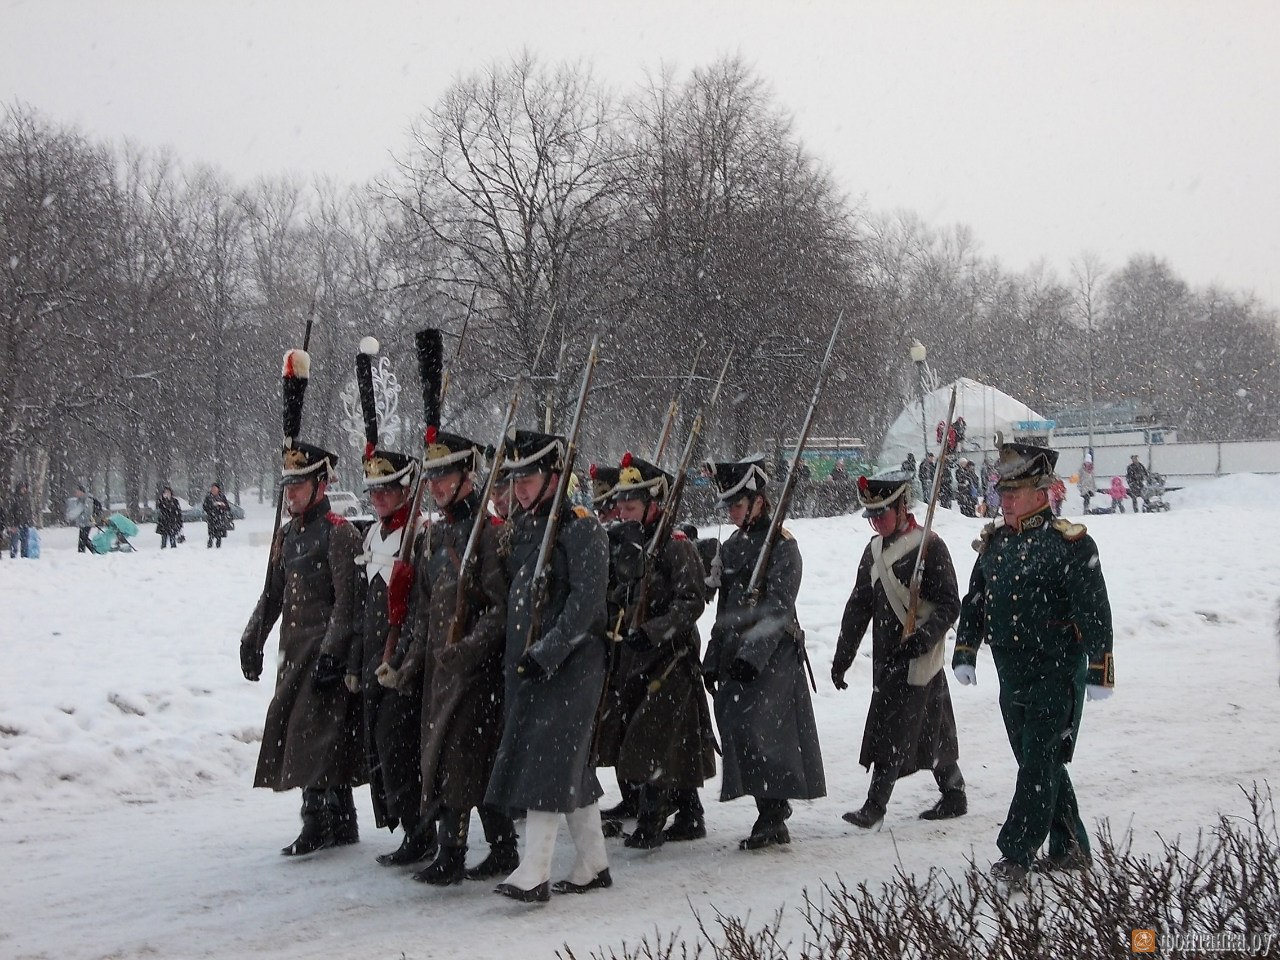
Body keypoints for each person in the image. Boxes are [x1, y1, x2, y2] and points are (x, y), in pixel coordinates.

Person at [952, 440, 1114, 885]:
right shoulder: (996, 544)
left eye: (1012, 494)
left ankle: (1017, 852)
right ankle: (1072, 847)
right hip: (1012, 671)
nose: (1002, 502)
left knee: (1039, 758)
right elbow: (976, 601)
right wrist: (965, 650)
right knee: (1036, 760)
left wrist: (1101, 667)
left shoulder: (1071, 545)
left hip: (1056, 668)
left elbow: (1094, 610)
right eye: (1002, 494)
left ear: (1041, 494)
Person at [484, 429, 611, 902]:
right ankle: (593, 863)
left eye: (530, 477)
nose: (519, 488)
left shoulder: (581, 526)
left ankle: (533, 870)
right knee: (569, 764)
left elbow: (585, 606)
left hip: (573, 665)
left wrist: (549, 652)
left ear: (554, 475)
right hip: (535, 664)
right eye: (515, 478)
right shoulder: (529, 525)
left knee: (545, 759)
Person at [396, 429, 517, 885]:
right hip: (440, 670)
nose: (435, 486)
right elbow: (426, 609)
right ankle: (503, 846)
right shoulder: (436, 536)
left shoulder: (488, 535)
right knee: (454, 759)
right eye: (431, 478)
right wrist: (408, 661)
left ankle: (453, 852)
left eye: (444, 476)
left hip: (475, 671)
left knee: (460, 759)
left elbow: (501, 608)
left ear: (468, 476)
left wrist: (468, 649)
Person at [239, 441, 365, 856]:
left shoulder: (338, 532)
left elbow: (347, 601)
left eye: (298, 485)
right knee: (314, 733)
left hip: (326, 650)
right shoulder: (287, 534)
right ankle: (342, 819)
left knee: (315, 733)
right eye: (287, 485)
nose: (290, 494)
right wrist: (252, 639)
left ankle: (317, 820)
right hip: (293, 652)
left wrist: (332, 651)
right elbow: (271, 594)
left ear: (320, 484)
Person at [702, 455, 825, 850]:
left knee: (766, 732)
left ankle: (773, 814)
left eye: (738, 504)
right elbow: (725, 611)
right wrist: (713, 657)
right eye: (730, 506)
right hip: (738, 655)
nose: (733, 512)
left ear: (758, 501)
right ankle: (769, 805)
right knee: (738, 726)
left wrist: (751, 658)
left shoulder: (782, 546)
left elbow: (777, 608)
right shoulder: (733, 545)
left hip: (772, 656)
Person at [594, 453, 715, 850]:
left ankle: (651, 818)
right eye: (621, 504)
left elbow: (691, 602)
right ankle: (690, 813)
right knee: (663, 740)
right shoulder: (630, 542)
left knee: (652, 738)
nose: (623, 510)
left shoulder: (675, 545)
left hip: (670, 657)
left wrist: (653, 631)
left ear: (652, 503)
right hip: (634, 656)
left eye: (631, 504)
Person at [832, 472, 966, 829]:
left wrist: (925, 637)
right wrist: (841, 659)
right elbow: (858, 608)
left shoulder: (929, 546)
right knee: (930, 727)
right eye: (871, 516)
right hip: (887, 657)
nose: (876, 522)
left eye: (882, 514)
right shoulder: (873, 551)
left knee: (893, 729)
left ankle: (875, 805)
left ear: (902, 507)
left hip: (920, 654)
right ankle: (954, 793)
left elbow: (950, 604)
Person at [347, 442, 431, 868]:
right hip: (373, 658)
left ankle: (421, 829)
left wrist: (402, 660)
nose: (377, 497)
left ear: (404, 490)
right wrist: (355, 662)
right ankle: (406, 824)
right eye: (373, 491)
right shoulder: (373, 533)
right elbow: (367, 607)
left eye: (386, 489)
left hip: (405, 663)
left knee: (398, 743)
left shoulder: (419, 536)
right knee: (381, 747)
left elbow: (420, 606)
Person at [66, 485, 99, 554]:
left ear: (81, 492)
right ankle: (95, 551)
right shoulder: (81, 500)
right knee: (84, 539)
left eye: (77, 492)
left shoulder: (87, 499)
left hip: (87, 522)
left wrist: (84, 518)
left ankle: (82, 553)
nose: (75, 493)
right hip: (83, 523)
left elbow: (88, 512)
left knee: (83, 539)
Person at [8, 481, 34, 559]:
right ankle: (13, 557)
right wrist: (12, 524)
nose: (24, 489)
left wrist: (31, 520)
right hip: (16, 524)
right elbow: (10, 512)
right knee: (14, 542)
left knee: (25, 542)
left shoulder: (26, 498)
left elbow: (29, 511)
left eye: (25, 488)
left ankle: (24, 556)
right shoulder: (13, 498)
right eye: (22, 488)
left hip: (25, 523)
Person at [203, 482, 233, 548]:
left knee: (219, 533)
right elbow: (205, 507)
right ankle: (210, 545)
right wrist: (212, 506)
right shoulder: (208, 497)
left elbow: (228, 507)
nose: (213, 490)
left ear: (218, 489)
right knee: (211, 533)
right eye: (212, 489)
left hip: (220, 518)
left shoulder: (222, 496)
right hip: (211, 518)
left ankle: (218, 546)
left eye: (215, 489)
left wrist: (222, 505)